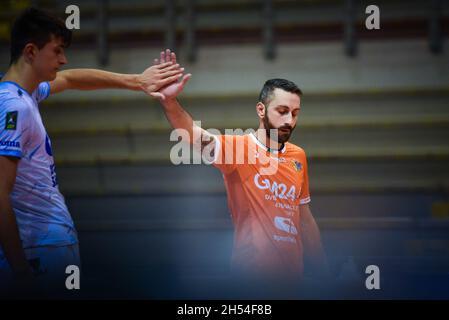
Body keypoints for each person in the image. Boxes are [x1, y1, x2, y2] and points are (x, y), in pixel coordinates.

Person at [0, 7, 183, 296]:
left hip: (48, 243)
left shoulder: (27, 93)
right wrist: (20, 269)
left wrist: (137, 81)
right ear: (31, 51)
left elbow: (72, 79)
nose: (64, 59)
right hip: (37, 249)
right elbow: (0, 192)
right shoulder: (13, 106)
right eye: (57, 51)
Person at [151, 50, 329, 296]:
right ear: (261, 110)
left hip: (293, 285)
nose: (289, 119)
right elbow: (194, 135)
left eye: (295, 113)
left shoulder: (298, 156)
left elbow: (305, 218)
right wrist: (169, 102)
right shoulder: (238, 148)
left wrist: (324, 273)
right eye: (282, 110)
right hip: (249, 283)